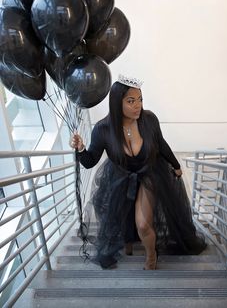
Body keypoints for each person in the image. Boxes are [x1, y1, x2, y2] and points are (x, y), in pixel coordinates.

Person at [70, 75, 206, 270]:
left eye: (140, 99)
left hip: (149, 174)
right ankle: (128, 244)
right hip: (119, 178)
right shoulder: (102, 129)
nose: (138, 106)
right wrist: (81, 148)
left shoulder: (149, 120)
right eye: (131, 101)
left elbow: (161, 144)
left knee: (143, 224)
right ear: (117, 103)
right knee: (123, 220)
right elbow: (89, 162)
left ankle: (152, 255)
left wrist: (176, 165)